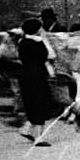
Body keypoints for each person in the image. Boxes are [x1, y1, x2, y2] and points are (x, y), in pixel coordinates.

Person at [16, 19, 53, 147]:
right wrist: (44, 40)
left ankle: (26, 129)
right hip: (38, 76)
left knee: (32, 103)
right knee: (41, 104)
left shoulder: (23, 42)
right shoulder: (37, 43)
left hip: (26, 75)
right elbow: (49, 55)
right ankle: (39, 137)